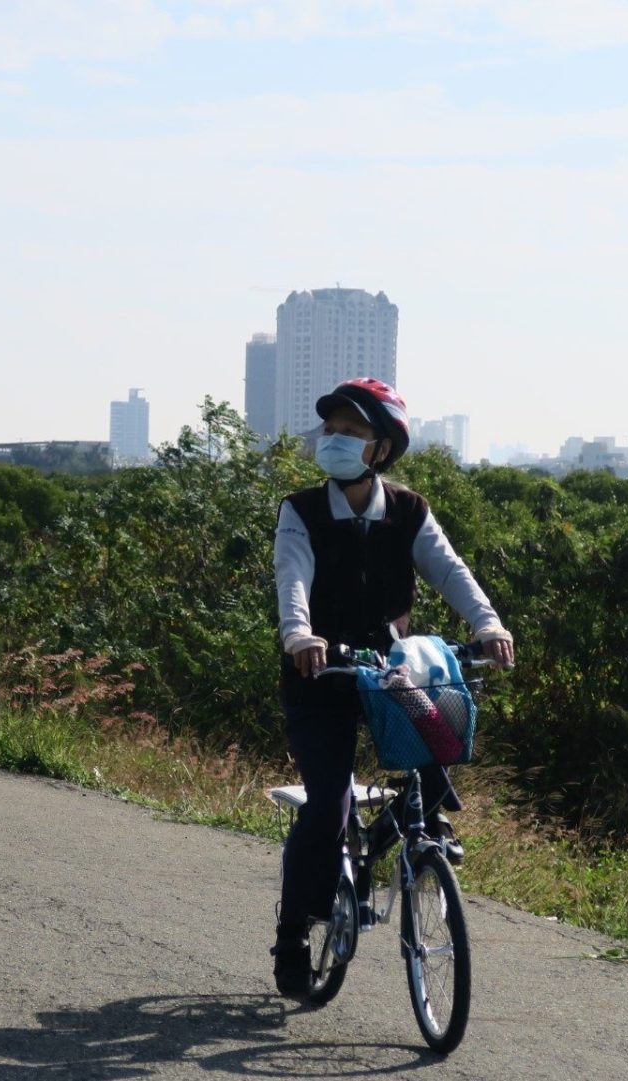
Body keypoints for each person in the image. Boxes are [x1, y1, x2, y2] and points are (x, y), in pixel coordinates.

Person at [269, 377, 516, 999]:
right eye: (332, 430)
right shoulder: (300, 509)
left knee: (438, 727)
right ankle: (295, 929)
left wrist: (487, 623)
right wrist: (300, 635)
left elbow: (449, 570)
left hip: (384, 668)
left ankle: (428, 825)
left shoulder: (409, 510)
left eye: (352, 432)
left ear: (382, 449)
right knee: (327, 804)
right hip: (318, 673)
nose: (335, 440)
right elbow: (291, 577)